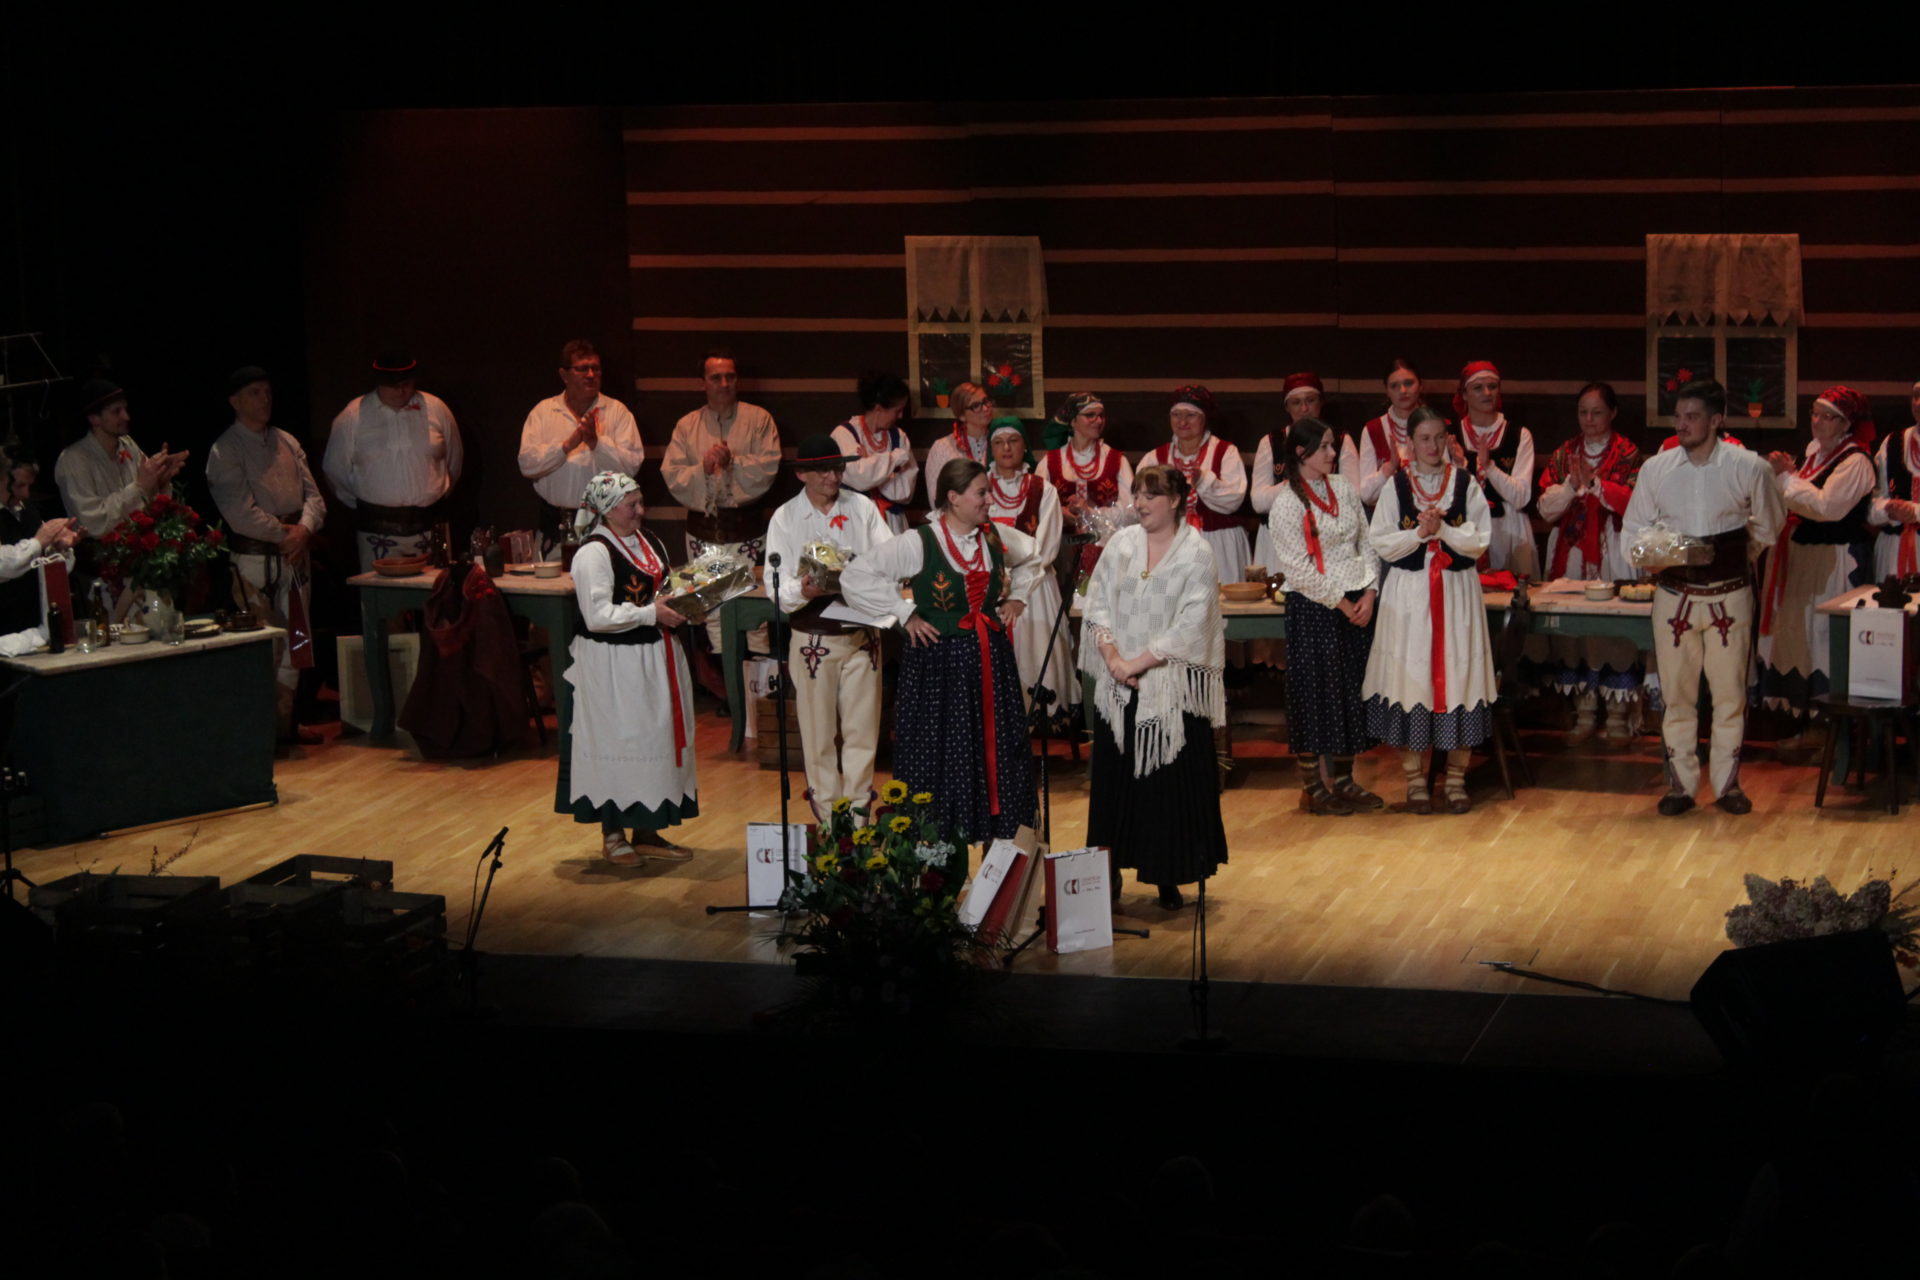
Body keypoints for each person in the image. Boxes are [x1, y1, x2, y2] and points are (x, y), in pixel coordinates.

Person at [839, 458, 1043, 866]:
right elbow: (855, 576)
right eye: (981, 493)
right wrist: (904, 613)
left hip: (990, 664)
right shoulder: (920, 542)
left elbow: (1034, 555)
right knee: (941, 758)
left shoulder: (994, 536)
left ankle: (999, 861)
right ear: (953, 497)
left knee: (996, 755)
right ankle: (939, 866)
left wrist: (1019, 597)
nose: (989, 500)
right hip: (938, 669)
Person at [1620, 379, 1785, 816]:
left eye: (1692, 417)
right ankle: (1681, 786)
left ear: (1716, 420)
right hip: (1675, 596)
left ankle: (1728, 785)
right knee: (1677, 695)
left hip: (1730, 595)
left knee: (1730, 695)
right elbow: (1632, 533)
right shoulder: (1657, 469)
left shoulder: (1749, 467)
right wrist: (1677, 553)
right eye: (1678, 416)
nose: (1682, 425)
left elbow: (1770, 524)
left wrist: (1734, 555)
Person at [1080, 463, 1228, 910]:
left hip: (1170, 691)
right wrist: (1113, 660)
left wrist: (1138, 663)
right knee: (1114, 789)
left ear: (1176, 500)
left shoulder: (1196, 553)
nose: (1140, 504)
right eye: (1137, 495)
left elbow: (1191, 626)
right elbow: (1097, 604)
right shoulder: (1122, 544)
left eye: (1151, 495)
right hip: (1118, 687)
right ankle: (1107, 876)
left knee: (1167, 789)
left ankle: (1167, 873)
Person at [1362, 407, 1498, 815]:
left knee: (1458, 677)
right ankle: (1414, 780)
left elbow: (1480, 539)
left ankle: (1455, 780)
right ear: (1410, 442)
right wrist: (1420, 533)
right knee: (1411, 679)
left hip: (1456, 593)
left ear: (1449, 440)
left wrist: (1445, 531)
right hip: (1409, 596)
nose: (1433, 446)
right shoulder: (1397, 486)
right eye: (1424, 438)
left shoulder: (1465, 483)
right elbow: (1381, 541)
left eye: (1440, 437)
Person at [557, 471, 697, 864]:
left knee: (654, 740)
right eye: (630, 504)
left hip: (653, 655)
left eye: (640, 502)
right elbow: (597, 615)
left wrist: (689, 601)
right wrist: (651, 614)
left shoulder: (647, 540)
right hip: (612, 664)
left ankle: (648, 830)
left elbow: (662, 590)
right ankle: (613, 834)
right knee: (618, 742)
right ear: (606, 509)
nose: (640, 510)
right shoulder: (594, 553)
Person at [761, 434, 893, 821]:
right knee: (818, 734)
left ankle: (859, 820)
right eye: (823, 471)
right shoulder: (785, 518)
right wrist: (804, 589)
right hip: (813, 638)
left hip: (862, 634)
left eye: (837, 468)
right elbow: (776, 588)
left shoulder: (862, 508)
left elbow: (889, 556)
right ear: (802, 474)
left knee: (862, 732)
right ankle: (830, 822)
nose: (833, 477)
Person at [1268, 418, 1381, 815]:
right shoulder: (1286, 503)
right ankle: (1313, 786)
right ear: (1302, 453)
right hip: (1315, 607)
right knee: (1316, 694)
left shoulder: (1343, 488)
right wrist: (1342, 603)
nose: (1334, 453)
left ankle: (1345, 779)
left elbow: (1366, 540)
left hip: (1355, 599)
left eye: (1333, 445)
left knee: (1350, 690)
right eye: (1326, 447)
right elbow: (1298, 569)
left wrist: (1369, 591)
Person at [205, 366, 328, 728]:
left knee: (296, 639)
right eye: (255, 393)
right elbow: (240, 513)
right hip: (255, 560)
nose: (265, 400)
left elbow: (315, 498)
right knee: (264, 643)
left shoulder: (287, 441)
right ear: (235, 401)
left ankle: (285, 724)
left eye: (268, 392)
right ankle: (261, 730)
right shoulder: (225, 449)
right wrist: (284, 535)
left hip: (294, 554)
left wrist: (304, 530)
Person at [1756, 385, 1876, 748]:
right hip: (1800, 557)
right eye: (1815, 414)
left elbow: (1827, 507)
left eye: (1828, 417)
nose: (1818, 422)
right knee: (1798, 633)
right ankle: (1800, 718)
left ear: (1846, 424)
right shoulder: (1813, 456)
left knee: (1822, 636)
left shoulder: (1855, 461)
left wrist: (1785, 477)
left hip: (1833, 558)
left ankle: (1828, 727)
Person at [1533, 381, 1646, 744]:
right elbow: (1546, 508)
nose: (1589, 419)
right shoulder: (1564, 454)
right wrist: (1571, 486)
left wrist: (1596, 484)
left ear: (1613, 413)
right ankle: (1584, 711)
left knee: (1613, 630)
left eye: (1597, 412)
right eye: (1583, 412)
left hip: (1612, 549)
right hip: (1571, 551)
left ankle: (1617, 713)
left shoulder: (1628, 454)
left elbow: (1635, 503)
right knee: (1576, 633)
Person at [661, 348, 783, 652]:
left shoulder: (759, 419)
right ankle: (724, 677)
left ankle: (757, 680)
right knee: (712, 610)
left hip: (746, 530)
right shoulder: (687, 425)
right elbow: (672, 474)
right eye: (716, 377)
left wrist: (733, 462)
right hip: (703, 531)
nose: (725, 383)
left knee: (754, 610)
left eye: (730, 376)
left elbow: (769, 466)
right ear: (702, 382)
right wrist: (702, 468)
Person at [322, 348, 463, 571]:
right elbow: (335, 471)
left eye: (406, 383)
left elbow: (454, 461)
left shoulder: (436, 409)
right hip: (377, 529)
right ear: (379, 383)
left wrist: (435, 493)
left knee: (436, 588)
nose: (400, 391)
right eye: (392, 385)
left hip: (430, 525)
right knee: (382, 589)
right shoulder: (352, 415)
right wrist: (364, 501)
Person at [983, 418, 1078, 734]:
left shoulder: (1043, 489)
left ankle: (1040, 719)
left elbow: (1046, 546)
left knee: (1035, 648)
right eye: (999, 442)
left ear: (1024, 445)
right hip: (990, 585)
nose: (1006, 448)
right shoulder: (979, 487)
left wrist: (1015, 574)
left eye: (1013, 440)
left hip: (1035, 584)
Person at [517, 340, 645, 560]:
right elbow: (527, 465)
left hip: (606, 524)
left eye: (595, 368)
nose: (591, 375)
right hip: (556, 525)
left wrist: (596, 443)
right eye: (582, 368)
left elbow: (630, 468)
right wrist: (567, 446)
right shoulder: (544, 412)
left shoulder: (617, 412)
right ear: (564, 375)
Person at [53, 378, 189, 543]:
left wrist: (159, 480)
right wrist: (140, 487)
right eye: (116, 411)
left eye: (125, 409)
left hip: (133, 545)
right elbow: (92, 524)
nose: (126, 416)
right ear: (95, 419)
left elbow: (144, 498)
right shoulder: (73, 460)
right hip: (96, 551)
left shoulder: (128, 444)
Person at [1143, 385, 1250, 585]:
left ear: (1204, 418)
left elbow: (1233, 498)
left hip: (1218, 543)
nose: (1182, 422)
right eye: (1176, 415)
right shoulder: (1155, 457)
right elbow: (1140, 503)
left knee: (1219, 598)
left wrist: (1204, 480)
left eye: (1191, 415)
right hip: (1170, 544)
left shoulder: (1225, 452)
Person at [1453, 361, 1538, 578]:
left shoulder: (1519, 435)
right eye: (1478, 388)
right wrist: (1461, 466)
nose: (1486, 393)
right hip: (1466, 530)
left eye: (1492, 386)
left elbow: (1521, 497)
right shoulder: (1450, 435)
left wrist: (1490, 468)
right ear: (1464, 394)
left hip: (1510, 530)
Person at [1252, 372, 1327, 576]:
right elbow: (1258, 501)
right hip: (1279, 537)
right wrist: (1293, 484)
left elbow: (1353, 494)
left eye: (1310, 400)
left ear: (1320, 402)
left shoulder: (1337, 440)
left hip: (1325, 536)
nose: (1304, 409)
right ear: (1287, 407)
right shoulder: (1271, 442)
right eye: (1296, 402)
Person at [831, 371, 916, 534]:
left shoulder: (899, 437)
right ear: (879, 408)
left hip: (892, 524)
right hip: (856, 522)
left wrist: (870, 462)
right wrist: (893, 461)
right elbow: (861, 479)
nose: (901, 415)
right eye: (897, 410)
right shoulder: (844, 434)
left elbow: (905, 491)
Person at [1353, 359, 1428, 511]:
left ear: (1420, 386)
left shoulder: (1437, 425)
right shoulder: (1373, 429)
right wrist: (1389, 468)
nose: (1402, 390)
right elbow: (1366, 496)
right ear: (1387, 391)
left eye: (1408, 383)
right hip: (1387, 519)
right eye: (1394, 386)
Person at [1867, 378, 1920, 583]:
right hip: (1892, 551)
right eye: (1916, 396)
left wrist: (1914, 512)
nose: (1918, 403)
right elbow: (1871, 502)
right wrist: (1888, 508)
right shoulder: (1892, 443)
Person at [922, 380, 994, 504]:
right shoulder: (942, 447)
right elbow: (936, 500)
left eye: (986, 401)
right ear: (961, 416)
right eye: (976, 406)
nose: (986, 408)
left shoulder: (999, 441)